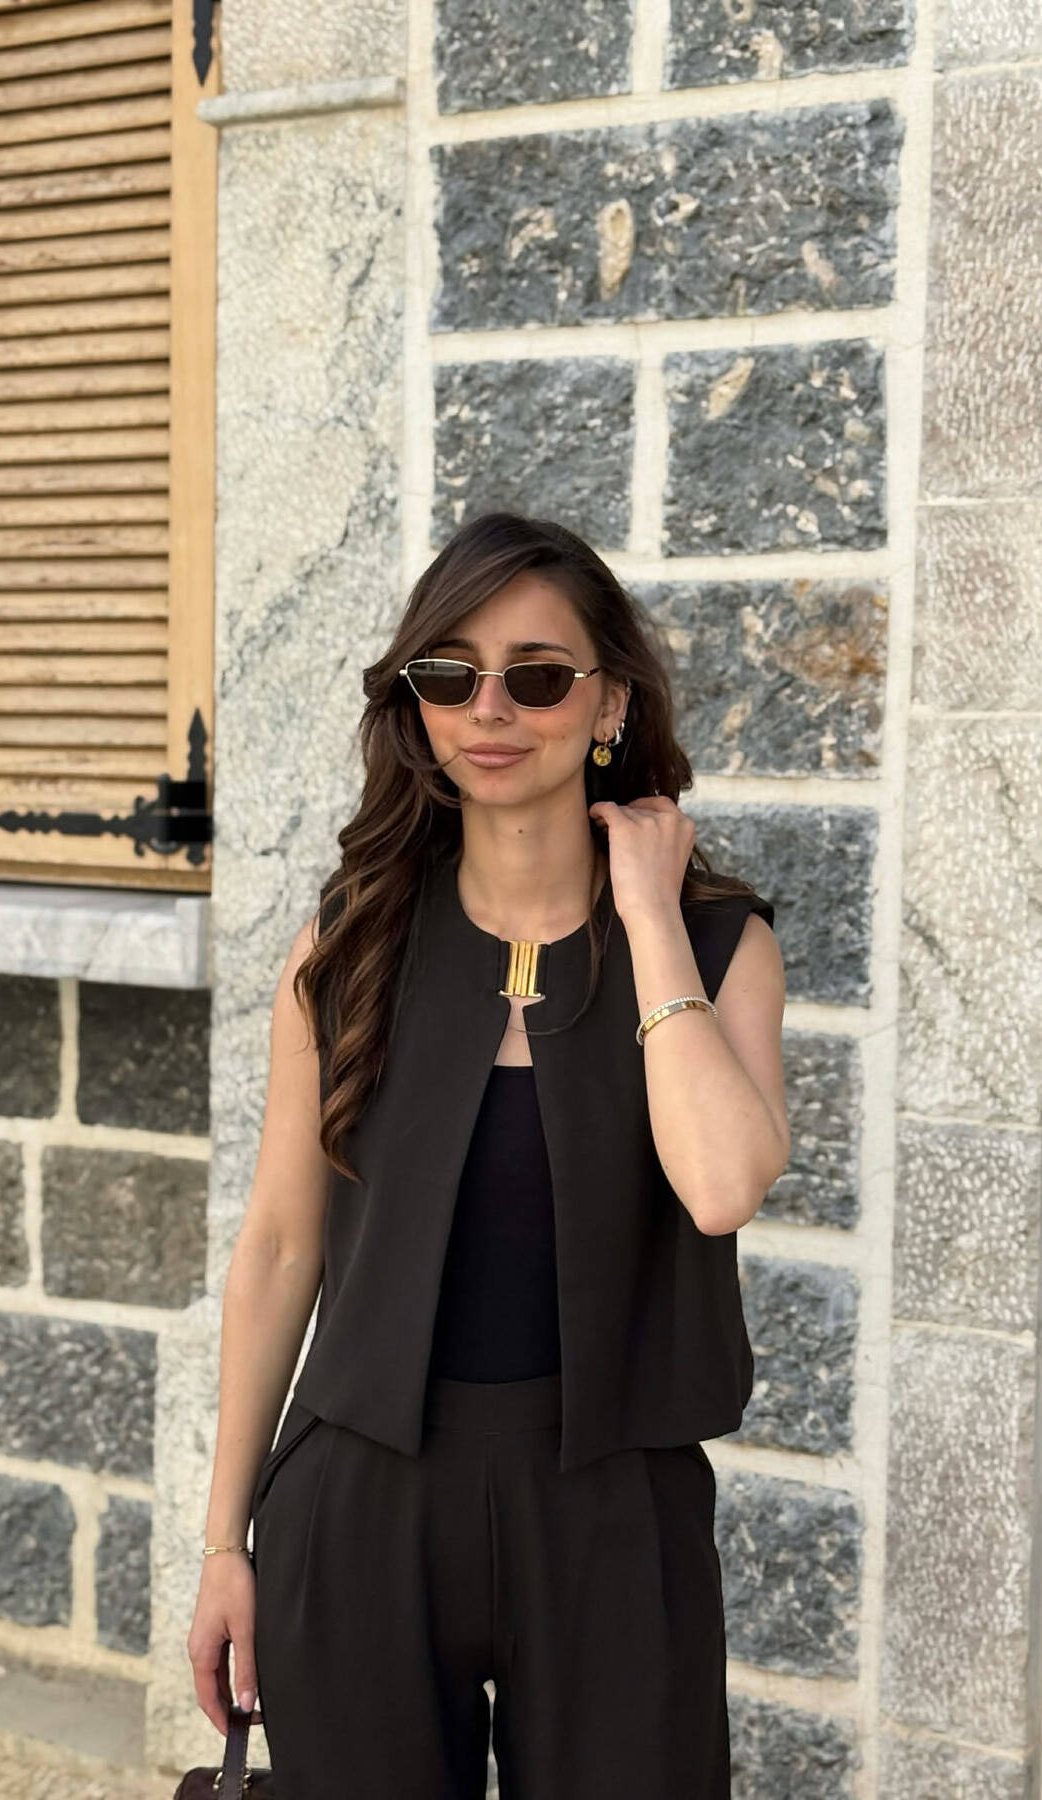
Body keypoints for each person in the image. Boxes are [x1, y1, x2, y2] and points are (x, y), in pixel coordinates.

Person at [187, 511, 789, 1797]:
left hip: (616, 1512)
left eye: (539, 674)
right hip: (361, 1503)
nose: (491, 709)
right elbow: (282, 1247)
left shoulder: (716, 943)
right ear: (417, 708)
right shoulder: (345, 948)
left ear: (609, 701)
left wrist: (645, 913)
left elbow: (723, 1184)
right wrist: (223, 1543)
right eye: (450, 675)